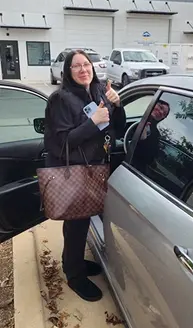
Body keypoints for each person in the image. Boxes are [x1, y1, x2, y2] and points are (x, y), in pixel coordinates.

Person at [44, 49, 126, 302]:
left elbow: (118, 128)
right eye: (76, 66)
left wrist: (117, 105)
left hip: (97, 168)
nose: (83, 70)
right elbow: (60, 143)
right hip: (76, 171)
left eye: (86, 64)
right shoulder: (60, 99)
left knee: (82, 222)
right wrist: (93, 121)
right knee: (77, 225)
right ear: (68, 72)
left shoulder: (99, 92)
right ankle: (74, 276)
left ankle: (72, 261)